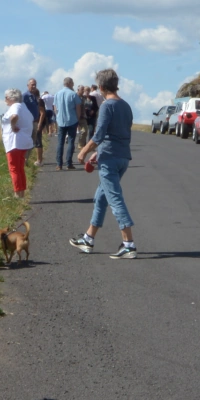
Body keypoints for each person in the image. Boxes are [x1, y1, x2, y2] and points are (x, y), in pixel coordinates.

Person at [69, 68, 137, 259]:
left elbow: (99, 135)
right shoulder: (126, 106)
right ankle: (88, 239)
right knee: (101, 197)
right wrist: (98, 153)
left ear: (100, 87)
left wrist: (83, 150)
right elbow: (118, 134)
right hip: (122, 157)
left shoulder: (107, 106)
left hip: (110, 159)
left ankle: (129, 244)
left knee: (115, 199)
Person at [1, 87, 32, 197]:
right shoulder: (23, 106)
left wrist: (12, 126)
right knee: (19, 168)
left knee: (14, 168)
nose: (5, 100)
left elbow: (14, 116)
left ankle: (18, 193)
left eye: (6, 98)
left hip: (14, 142)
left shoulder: (15, 106)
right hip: (22, 141)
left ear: (11, 98)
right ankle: (21, 192)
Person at [52, 76, 81, 169]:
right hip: (72, 119)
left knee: (60, 142)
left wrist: (57, 116)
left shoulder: (57, 94)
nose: (73, 84)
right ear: (69, 83)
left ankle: (59, 164)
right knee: (71, 141)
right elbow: (78, 108)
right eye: (72, 83)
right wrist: (78, 118)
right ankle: (69, 163)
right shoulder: (73, 94)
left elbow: (55, 108)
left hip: (60, 120)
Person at [24, 78, 46, 168]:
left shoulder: (34, 96)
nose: (33, 86)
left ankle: (25, 159)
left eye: (35, 85)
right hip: (28, 123)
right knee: (28, 142)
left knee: (32, 143)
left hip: (35, 122)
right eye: (32, 84)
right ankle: (24, 160)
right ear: (28, 85)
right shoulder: (25, 96)